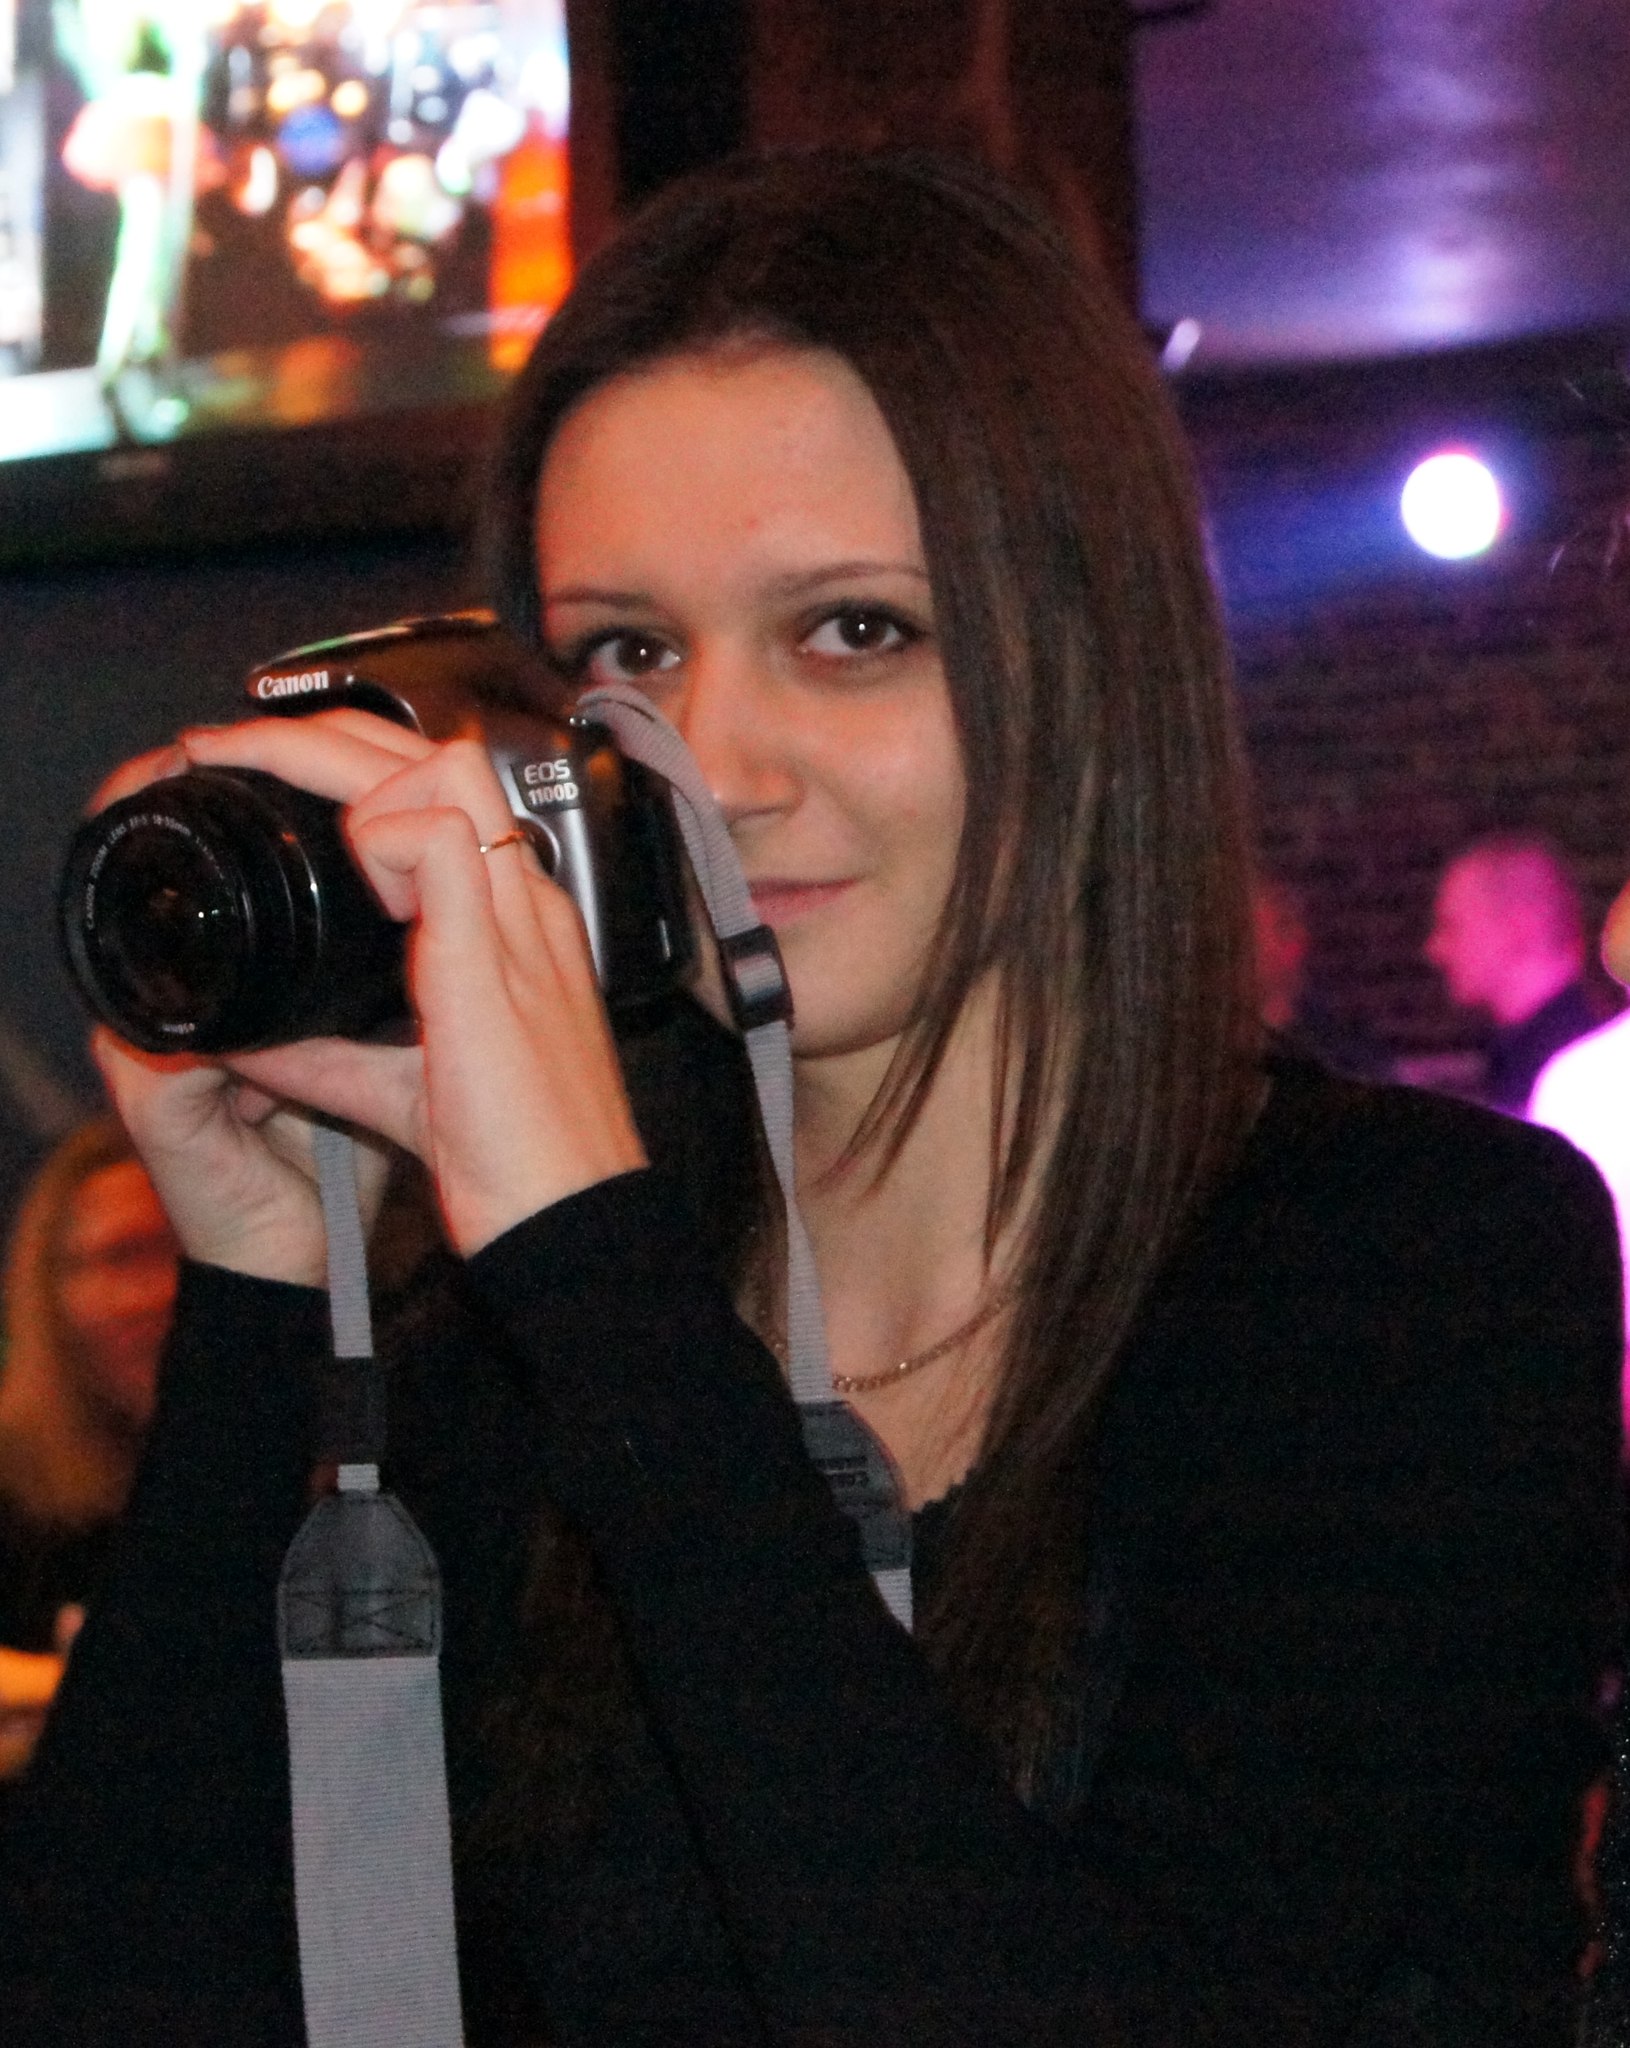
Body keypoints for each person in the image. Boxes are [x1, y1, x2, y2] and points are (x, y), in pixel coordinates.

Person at [1, 150, 1620, 2046]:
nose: (723, 766)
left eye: (853, 631)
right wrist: (260, 1294)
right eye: (630, 653)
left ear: (1087, 658)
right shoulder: (514, 1330)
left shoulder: (1409, 1263)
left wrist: (595, 1273)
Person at [0, 1117, 177, 1782]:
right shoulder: (16, 1494)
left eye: (185, 1252)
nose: (161, 1291)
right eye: (125, 1256)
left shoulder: (331, 1471)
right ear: (50, 1290)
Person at [1423, 832, 1599, 1114]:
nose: (1434, 949)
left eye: (1451, 926)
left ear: (1518, 929)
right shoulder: (1526, 1054)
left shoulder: (1580, 1071)